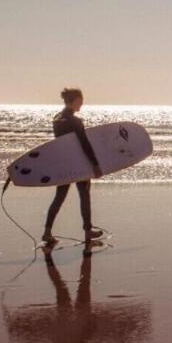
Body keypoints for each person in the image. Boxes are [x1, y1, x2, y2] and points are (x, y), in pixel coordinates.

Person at [43, 88, 104, 245]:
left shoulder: (57, 119)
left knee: (59, 198)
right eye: (81, 100)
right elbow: (84, 144)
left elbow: (61, 145)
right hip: (79, 163)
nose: (82, 104)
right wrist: (95, 164)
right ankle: (88, 230)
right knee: (84, 196)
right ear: (75, 100)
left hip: (63, 164)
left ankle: (47, 231)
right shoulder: (75, 121)